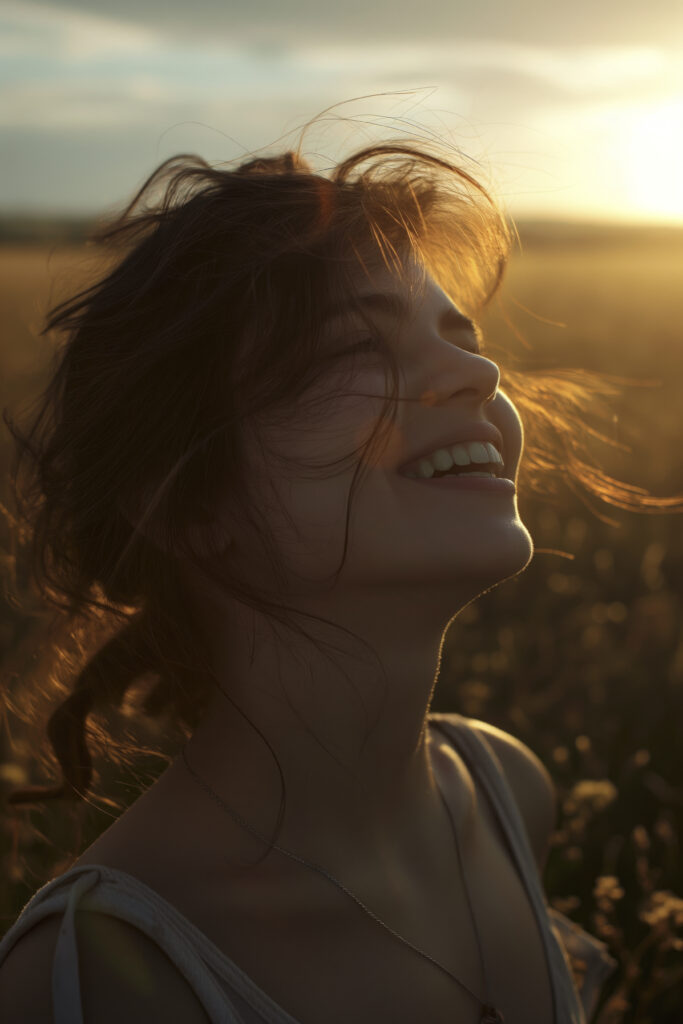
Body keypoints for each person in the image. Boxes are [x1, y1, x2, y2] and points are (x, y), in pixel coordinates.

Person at [0, 115, 622, 1023]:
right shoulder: (103, 976)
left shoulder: (504, 791)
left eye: (462, 332)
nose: (478, 372)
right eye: (356, 347)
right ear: (189, 508)